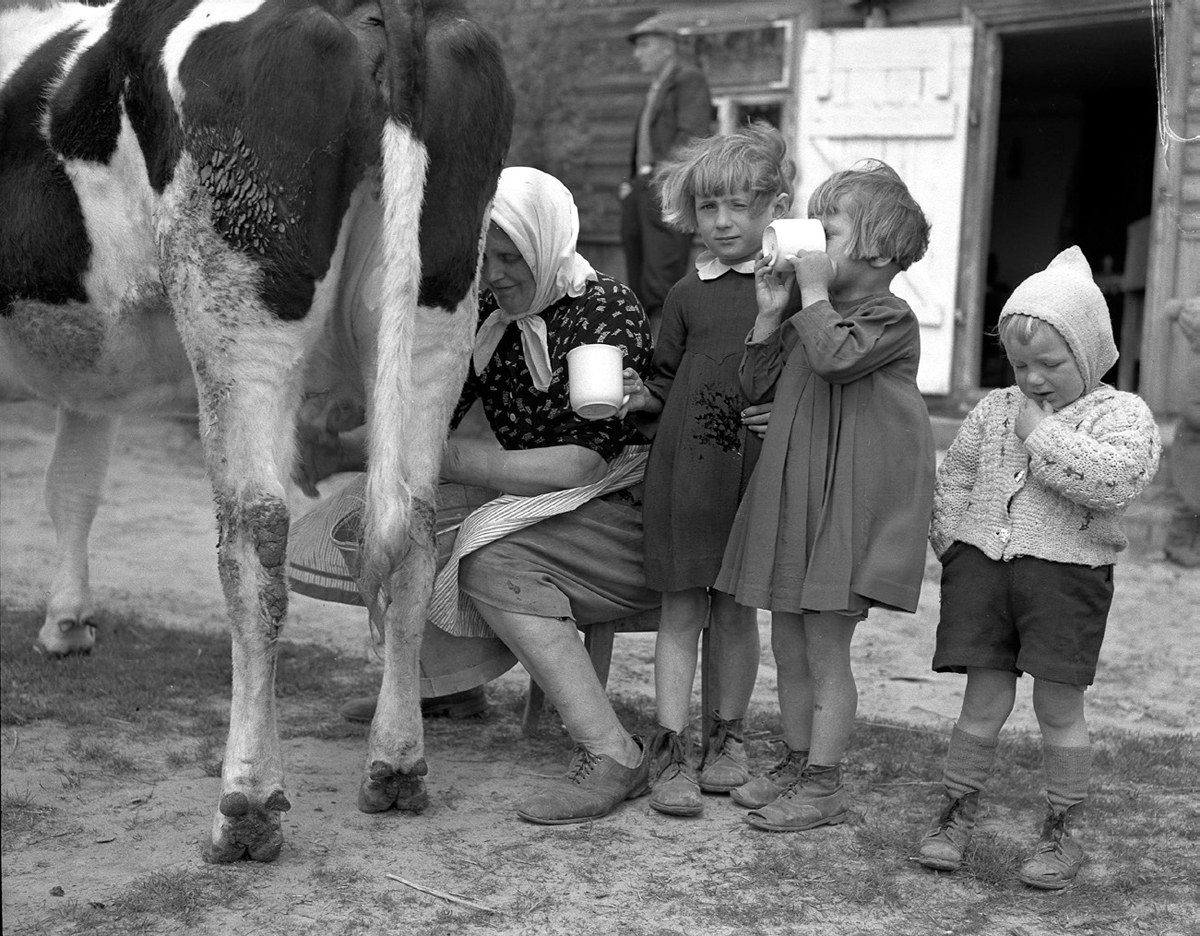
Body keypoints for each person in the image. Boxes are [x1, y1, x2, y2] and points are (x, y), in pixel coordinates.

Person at [291, 167, 662, 824]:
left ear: (547, 243)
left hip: (623, 508)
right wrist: (342, 448)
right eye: (482, 257)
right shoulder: (488, 311)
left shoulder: (602, 309)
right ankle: (441, 685)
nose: (493, 273)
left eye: (511, 256)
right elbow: (429, 420)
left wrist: (453, 457)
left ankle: (614, 753)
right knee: (382, 516)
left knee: (490, 559)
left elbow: (579, 461)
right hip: (546, 492)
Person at [915, 246, 1162, 889]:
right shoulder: (993, 408)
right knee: (982, 698)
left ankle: (1062, 828)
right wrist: (955, 544)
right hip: (985, 573)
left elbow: (1113, 482)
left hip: (1066, 580)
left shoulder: (1121, 415)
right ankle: (955, 810)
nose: (1033, 379)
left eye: (1050, 364)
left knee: (1058, 704)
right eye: (1021, 365)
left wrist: (1041, 434)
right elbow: (958, 476)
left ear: (1087, 353)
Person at [715, 160, 937, 832]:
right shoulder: (813, 314)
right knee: (788, 643)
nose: (814, 243)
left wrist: (810, 294)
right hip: (796, 501)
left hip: (841, 512)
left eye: (828, 231)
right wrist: (767, 314)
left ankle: (825, 783)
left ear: (874, 248)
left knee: (825, 650)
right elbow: (756, 382)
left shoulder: (888, 317)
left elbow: (837, 357)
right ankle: (796, 758)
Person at [620, 122, 793, 817]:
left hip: (754, 475)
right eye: (708, 209)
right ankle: (668, 746)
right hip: (685, 474)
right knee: (681, 608)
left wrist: (785, 416)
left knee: (736, 611)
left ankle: (728, 739)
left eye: (738, 207)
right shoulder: (687, 294)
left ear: (774, 209)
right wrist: (639, 395)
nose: (721, 222)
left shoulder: (795, 292)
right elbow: (664, 381)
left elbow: (810, 380)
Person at [619, 16, 713, 337]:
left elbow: (692, 136)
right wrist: (630, 181)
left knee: (661, 280)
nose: (638, 54)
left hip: (665, 188)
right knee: (638, 279)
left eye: (645, 45)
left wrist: (659, 178)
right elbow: (645, 141)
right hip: (641, 188)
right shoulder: (655, 88)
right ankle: (641, 350)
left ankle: (665, 358)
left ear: (669, 46)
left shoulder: (688, 81)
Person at [1162, 296, 1200, 567]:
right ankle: (1176, 545)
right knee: (1190, 498)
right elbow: (1189, 408)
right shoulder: (1197, 372)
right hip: (1193, 446)